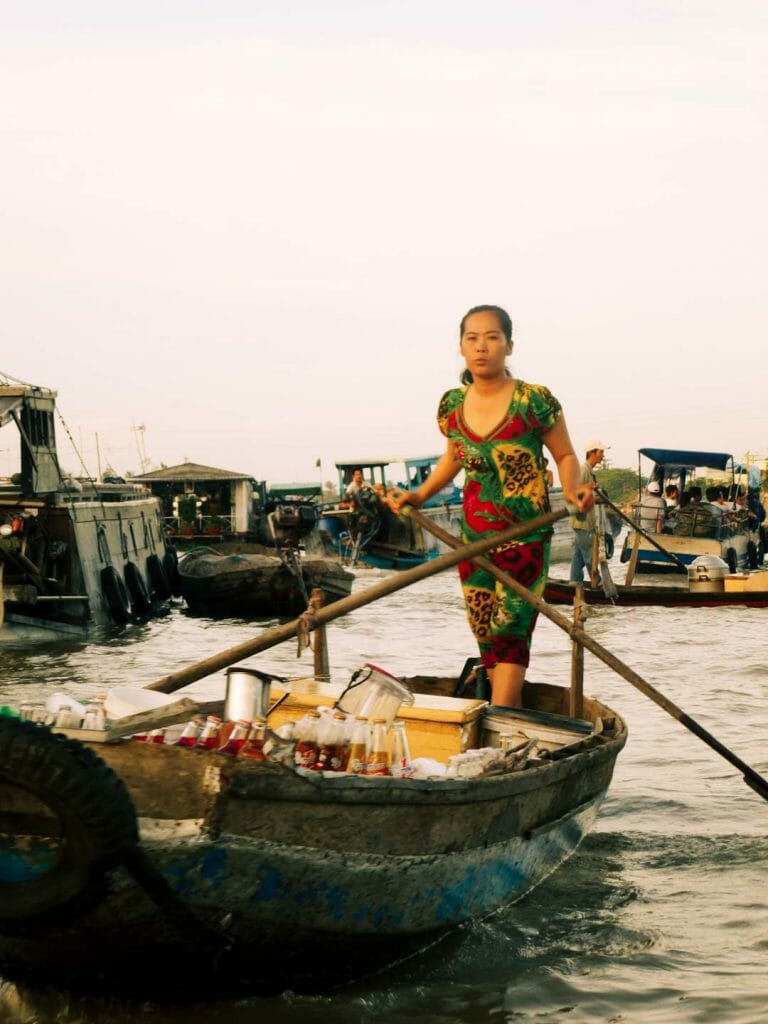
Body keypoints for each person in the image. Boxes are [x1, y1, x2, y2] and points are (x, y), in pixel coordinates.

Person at [387, 303, 593, 708]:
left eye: (492, 337)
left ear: (509, 346)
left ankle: (500, 718)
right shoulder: (452, 406)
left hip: (525, 535)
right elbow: (453, 458)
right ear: (461, 348)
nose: (482, 346)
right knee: (486, 633)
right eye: (472, 338)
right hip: (474, 541)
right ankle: (510, 716)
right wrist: (418, 496)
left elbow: (565, 456)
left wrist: (572, 491)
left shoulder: (534, 401)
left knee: (511, 631)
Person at [569, 440, 608, 585]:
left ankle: (574, 583)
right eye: (601, 452)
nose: (602, 456)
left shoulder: (589, 471)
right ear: (592, 453)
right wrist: (589, 486)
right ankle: (598, 582)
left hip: (583, 521)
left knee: (577, 556)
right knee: (590, 556)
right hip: (582, 521)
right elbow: (573, 491)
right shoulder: (584, 470)